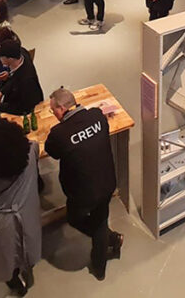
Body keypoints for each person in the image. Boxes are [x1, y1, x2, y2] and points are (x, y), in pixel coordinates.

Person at [45, 88, 123, 281]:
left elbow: (51, 151)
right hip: (106, 182)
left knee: (76, 219)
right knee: (100, 219)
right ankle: (106, 248)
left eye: (53, 111)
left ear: (61, 109)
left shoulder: (59, 133)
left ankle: (103, 256)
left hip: (82, 193)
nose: (53, 114)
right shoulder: (97, 116)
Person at [0, 118, 41, 296]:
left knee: (6, 255)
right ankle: (27, 268)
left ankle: (16, 283)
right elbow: (34, 145)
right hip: (26, 209)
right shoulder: (30, 153)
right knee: (27, 243)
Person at [0, 38, 42, 117]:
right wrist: (1, 92)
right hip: (17, 96)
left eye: (1, 57)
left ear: (10, 59)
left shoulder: (27, 80)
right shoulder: (21, 53)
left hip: (29, 111)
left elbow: (25, 108)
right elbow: (14, 78)